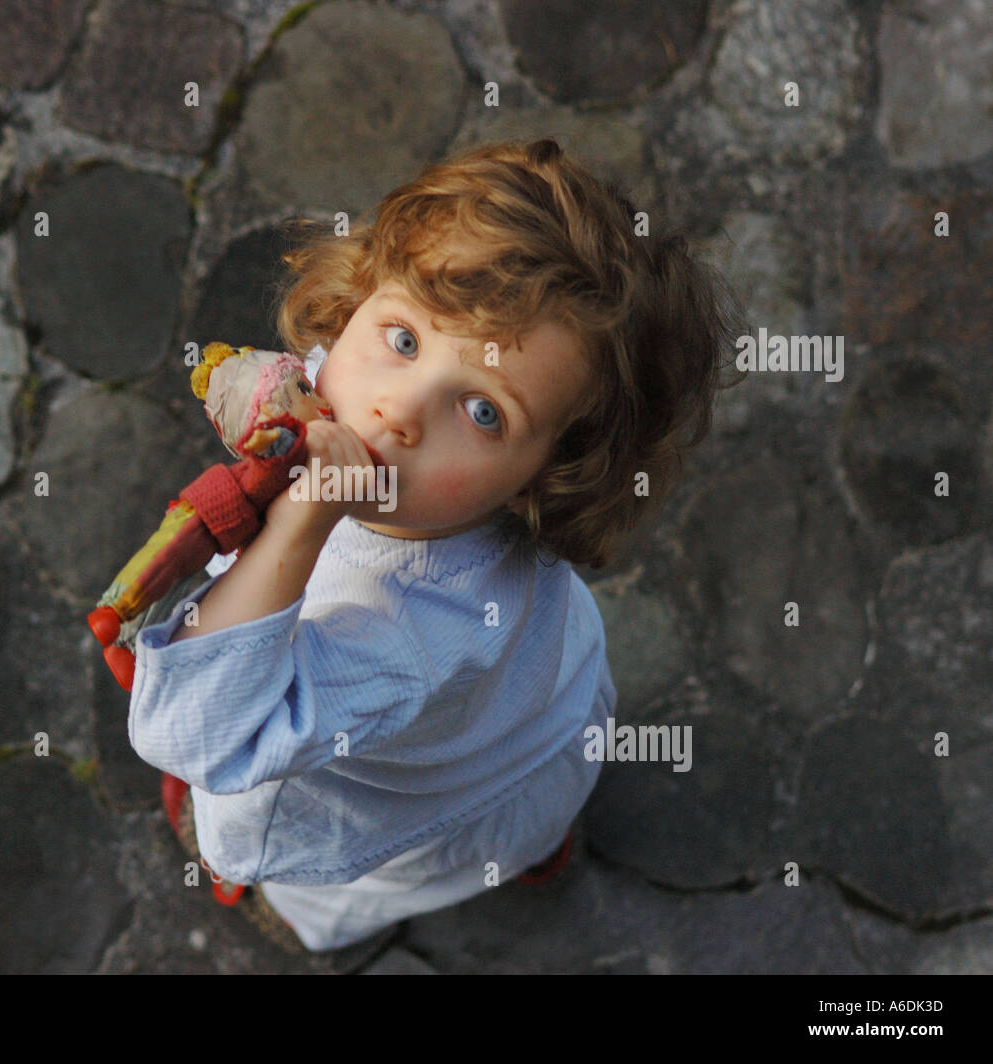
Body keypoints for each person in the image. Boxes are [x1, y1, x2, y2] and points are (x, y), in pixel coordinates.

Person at [126, 137, 741, 952]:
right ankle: (541, 848)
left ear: (544, 477)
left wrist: (302, 524)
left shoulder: (402, 629)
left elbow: (191, 733)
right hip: (544, 715)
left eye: (484, 412)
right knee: (519, 813)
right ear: (361, 299)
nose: (397, 412)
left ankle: (289, 902)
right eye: (405, 339)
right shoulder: (401, 451)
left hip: (413, 807)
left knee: (337, 873)